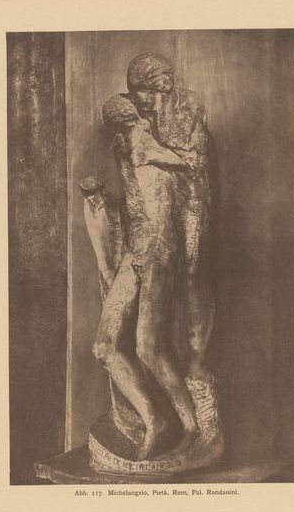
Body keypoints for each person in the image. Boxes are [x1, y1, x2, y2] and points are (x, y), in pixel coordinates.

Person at [92, 94, 198, 460]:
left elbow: (189, 166)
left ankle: (192, 426)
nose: (124, 133)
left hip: (159, 252)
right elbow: (136, 201)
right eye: (119, 128)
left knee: (147, 347)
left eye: (124, 124)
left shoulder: (148, 143)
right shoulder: (127, 146)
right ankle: (154, 421)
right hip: (135, 252)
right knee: (104, 347)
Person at [126, 53, 214, 381]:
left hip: (191, 200)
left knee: (191, 272)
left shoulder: (189, 105)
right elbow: (135, 147)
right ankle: (164, 362)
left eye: (147, 91)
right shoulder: (131, 107)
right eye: (135, 91)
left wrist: (155, 153)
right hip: (157, 206)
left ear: (165, 86)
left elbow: (197, 161)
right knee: (159, 277)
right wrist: (170, 156)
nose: (140, 99)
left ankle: (197, 363)